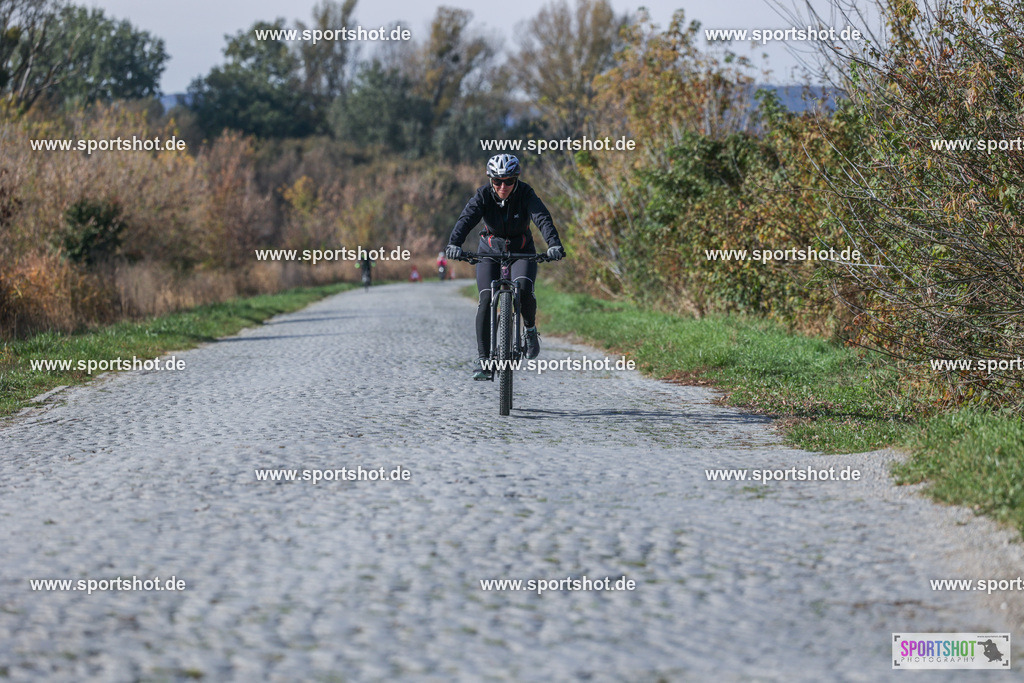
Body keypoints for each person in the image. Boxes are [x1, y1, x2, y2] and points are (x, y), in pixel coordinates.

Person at [445, 154, 564, 380]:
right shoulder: (483, 195)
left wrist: (554, 244)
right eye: (497, 181)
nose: (503, 186)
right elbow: (466, 218)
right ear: (490, 180)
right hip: (489, 251)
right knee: (486, 299)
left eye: (508, 181)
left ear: (516, 179)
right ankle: (483, 360)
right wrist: (454, 243)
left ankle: (529, 330)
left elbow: (542, 218)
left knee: (524, 289)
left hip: (522, 250)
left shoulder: (526, 193)